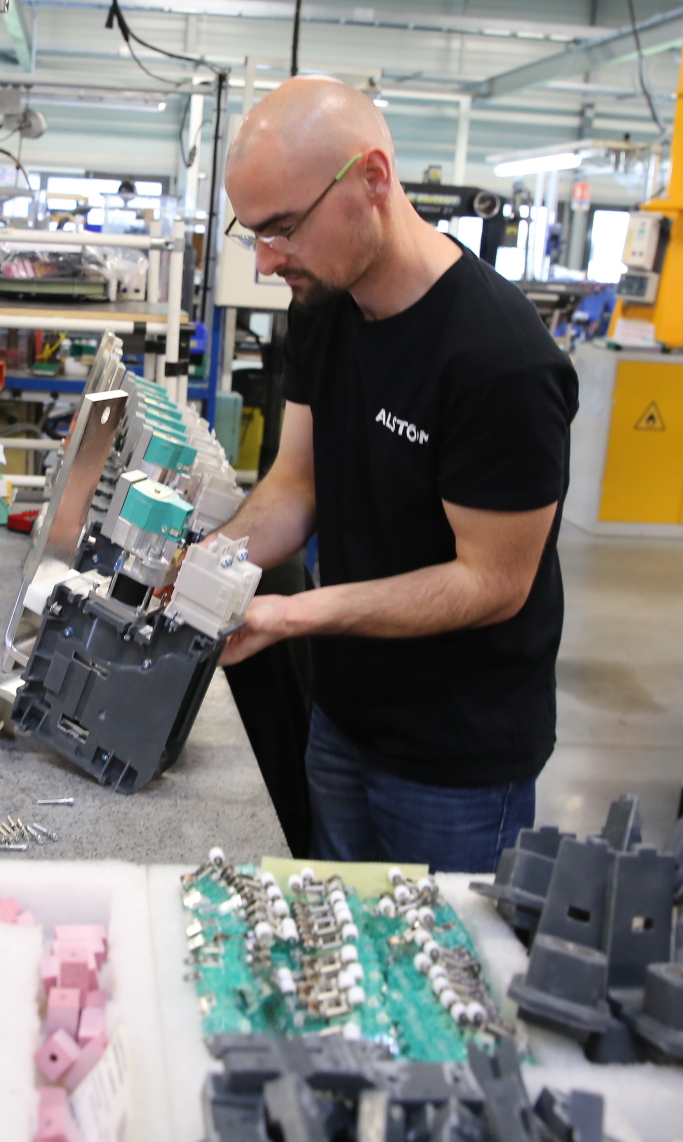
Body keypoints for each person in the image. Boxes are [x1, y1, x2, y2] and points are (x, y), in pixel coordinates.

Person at [214, 76, 579, 873]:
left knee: (435, 950)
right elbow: (297, 486)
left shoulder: (501, 362)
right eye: (254, 235)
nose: (268, 261)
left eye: (283, 229)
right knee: (334, 927)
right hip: (343, 717)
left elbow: (492, 584)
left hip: (456, 756)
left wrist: (294, 614)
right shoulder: (323, 307)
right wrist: (202, 566)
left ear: (372, 179)